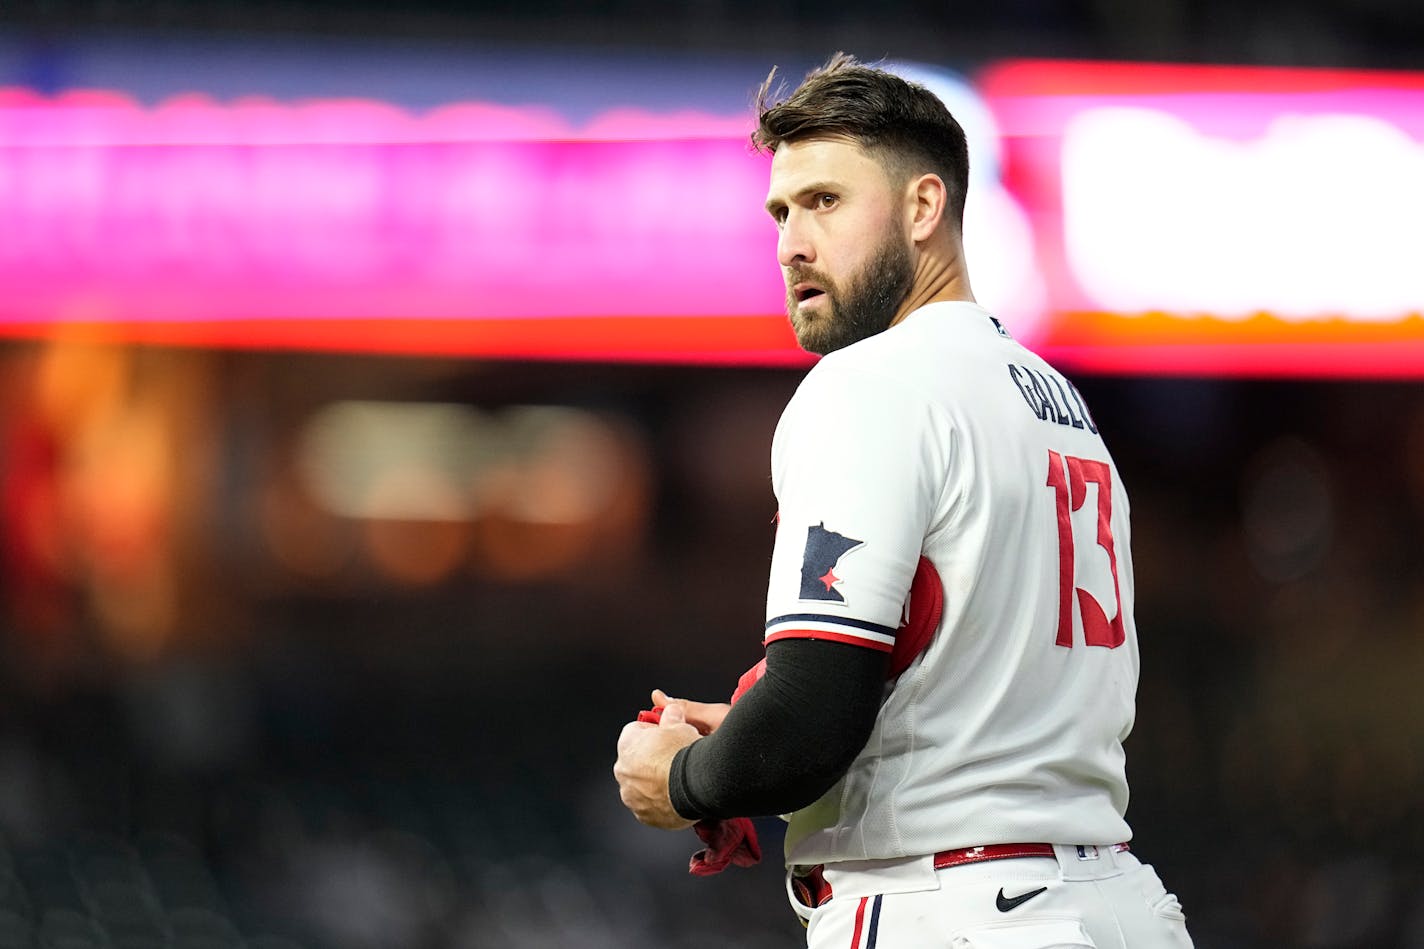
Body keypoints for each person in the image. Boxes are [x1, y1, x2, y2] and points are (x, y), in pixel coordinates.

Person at [613, 53, 1194, 948]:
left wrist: (683, 776)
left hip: (954, 910)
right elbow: (960, 697)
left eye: (827, 202)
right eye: (782, 209)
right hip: (1114, 902)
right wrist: (745, 729)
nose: (790, 243)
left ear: (925, 207)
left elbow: (810, 722)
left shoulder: (868, 385)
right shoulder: (1058, 403)